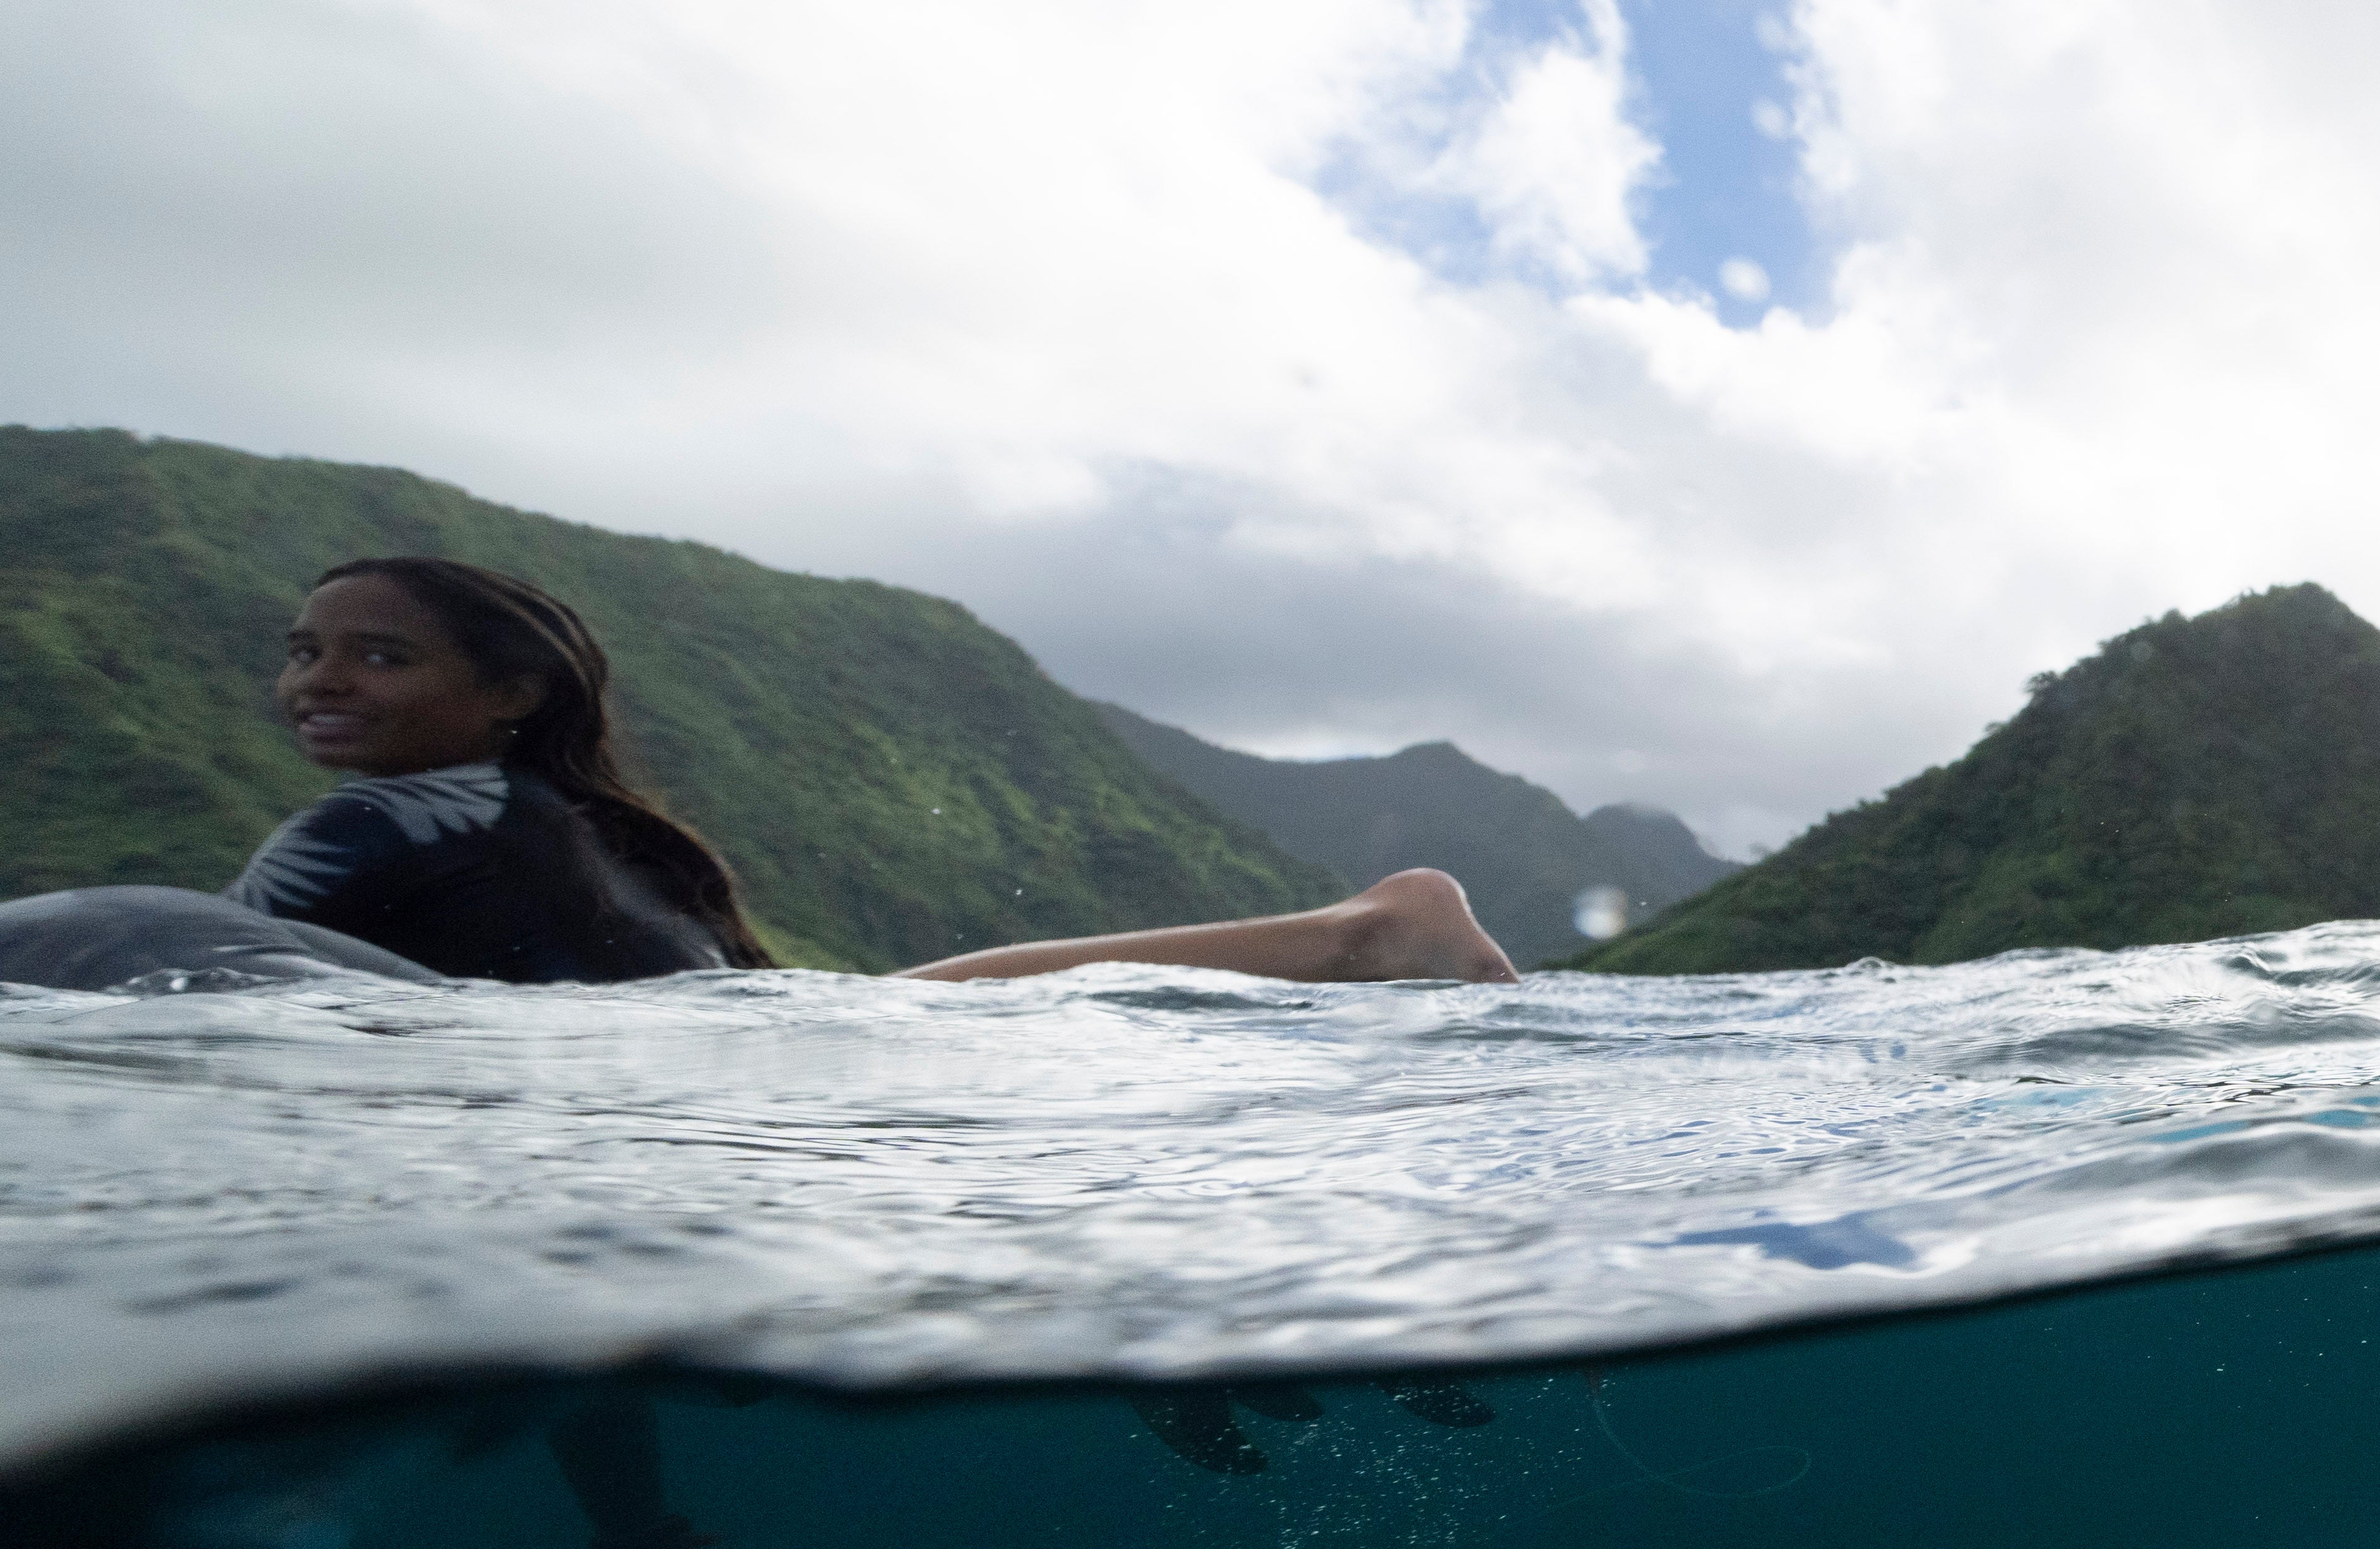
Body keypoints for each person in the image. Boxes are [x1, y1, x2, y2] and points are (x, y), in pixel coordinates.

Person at [239, 556, 1516, 985]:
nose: (320, 681)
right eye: (303, 652)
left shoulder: (370, 827)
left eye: (380, 657)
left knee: (917, 1013)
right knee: (912, 1010)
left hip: (699, 1092)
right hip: (713, 1071)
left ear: (512, 694)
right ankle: (1358, 934)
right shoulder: (532, 814)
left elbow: (186, 992)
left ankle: (1364, 932)